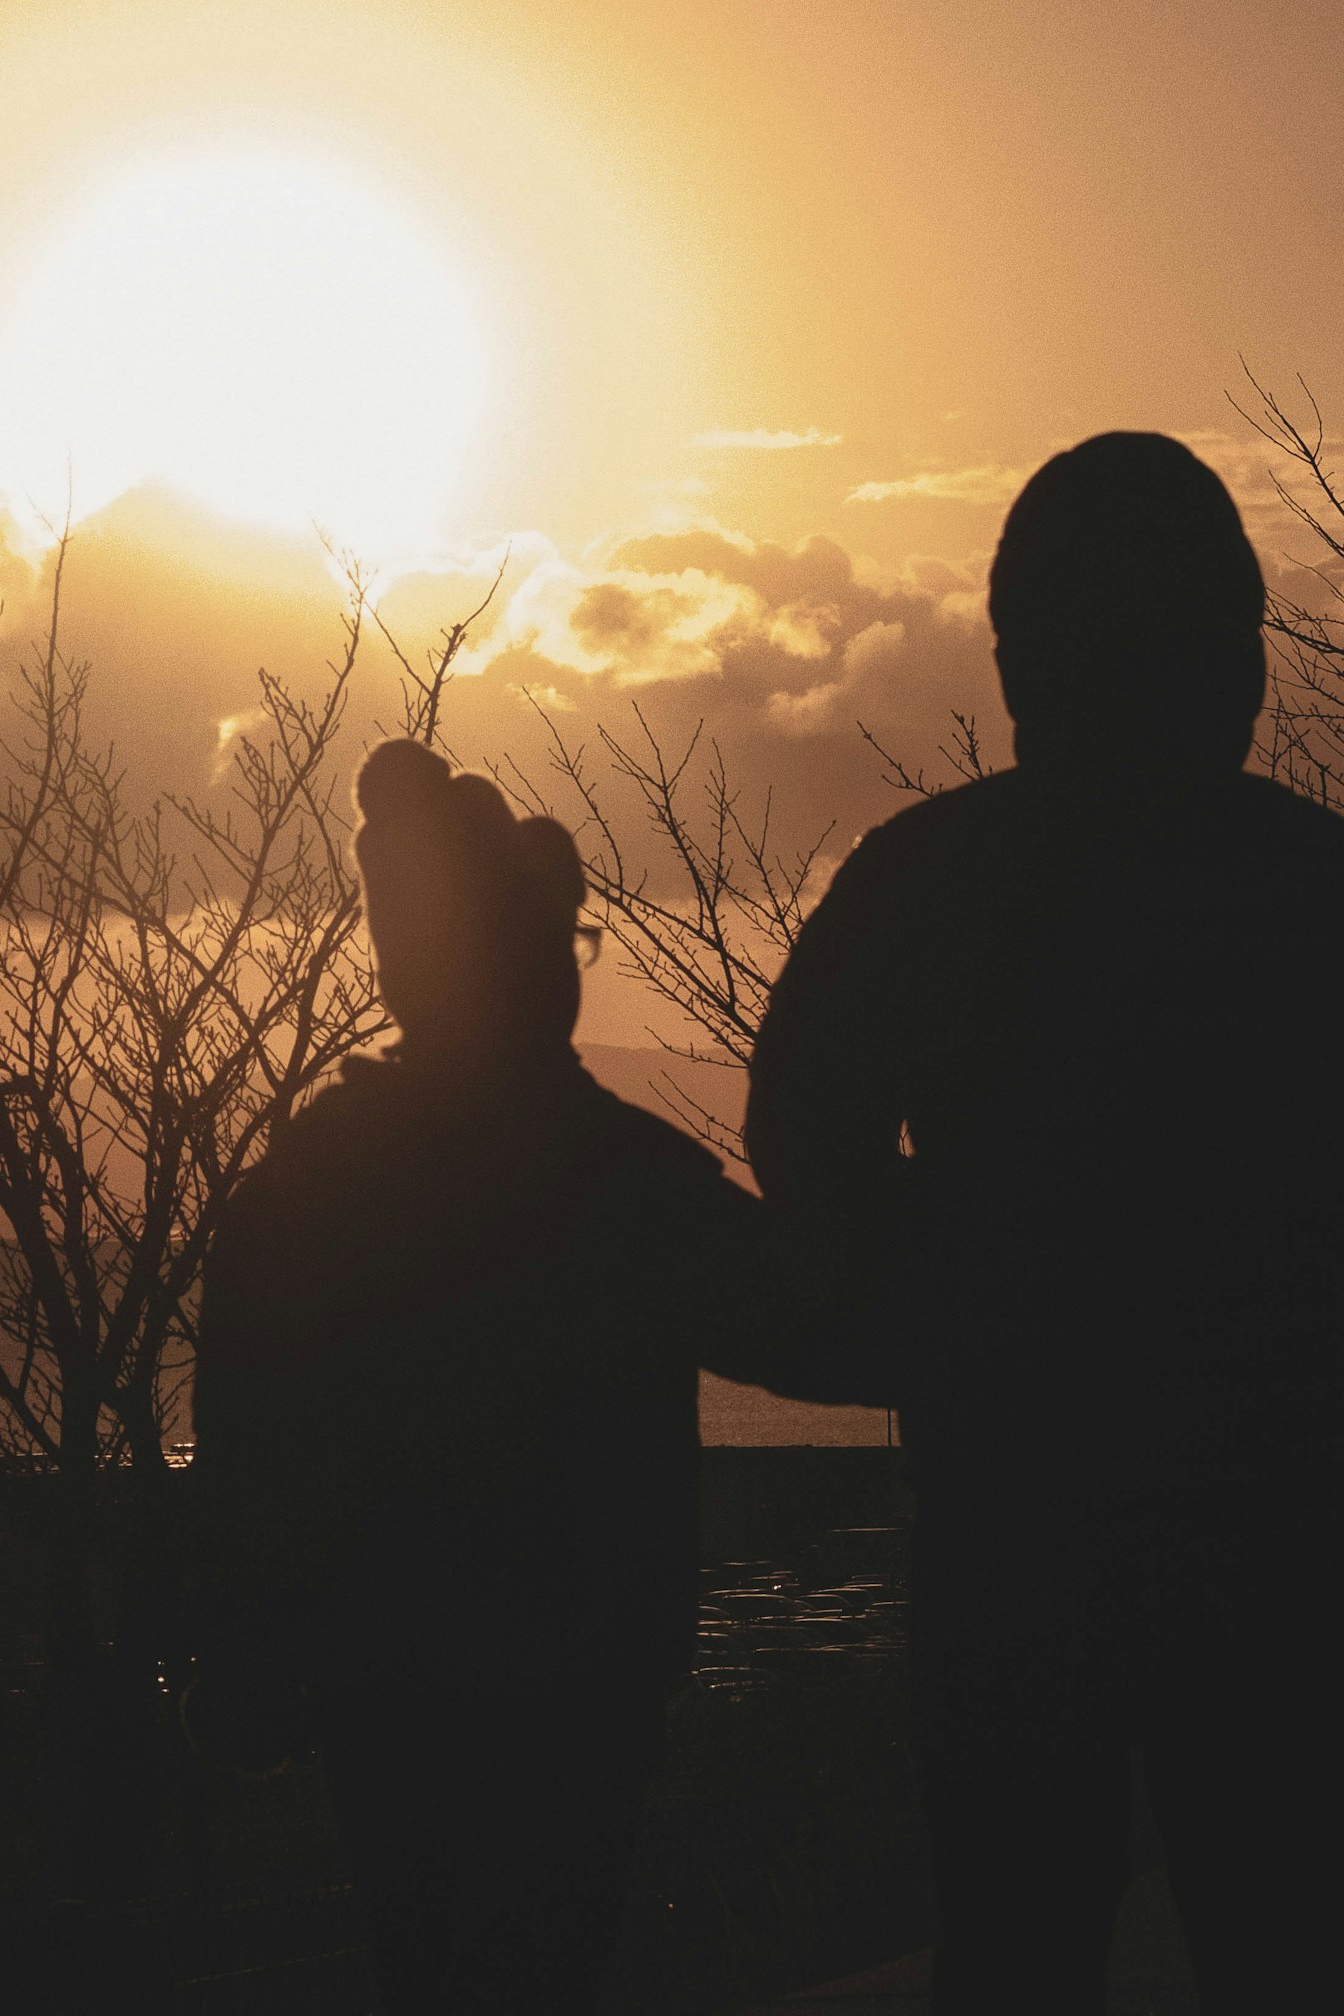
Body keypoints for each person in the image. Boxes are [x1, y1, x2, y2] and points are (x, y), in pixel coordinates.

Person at [746, 433, 1344, 2015]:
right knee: (1283, 1932)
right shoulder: (1318, 882)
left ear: (1014, 658)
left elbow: (800, 1143)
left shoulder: (927, 878)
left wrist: (966, 1279)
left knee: (1024, 1936)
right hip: (1253, 1513)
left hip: (1018, 1513)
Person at [194, 737, 844, 2012]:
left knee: (422, 1960)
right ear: (537, 961)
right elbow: (822, 1320)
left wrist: (254, 1653)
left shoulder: (303, 1185)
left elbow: (245, 1447)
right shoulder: (616, 1179)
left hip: (382, 1683)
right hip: (574, 1685)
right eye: (568, 940)